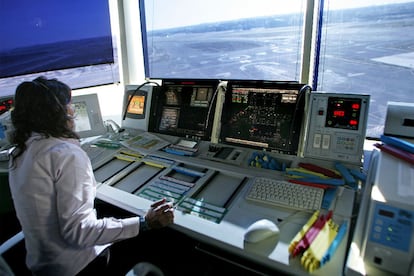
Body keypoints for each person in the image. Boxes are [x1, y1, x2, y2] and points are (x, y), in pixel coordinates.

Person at [8, 76, 175, 276]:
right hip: (79, 266)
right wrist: (144, 222)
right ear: (60, 113)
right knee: (163, 243)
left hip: (41, 263)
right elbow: (80, 232)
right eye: (69, 105)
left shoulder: (19, 152)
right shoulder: (66, 155)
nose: (72, 110)